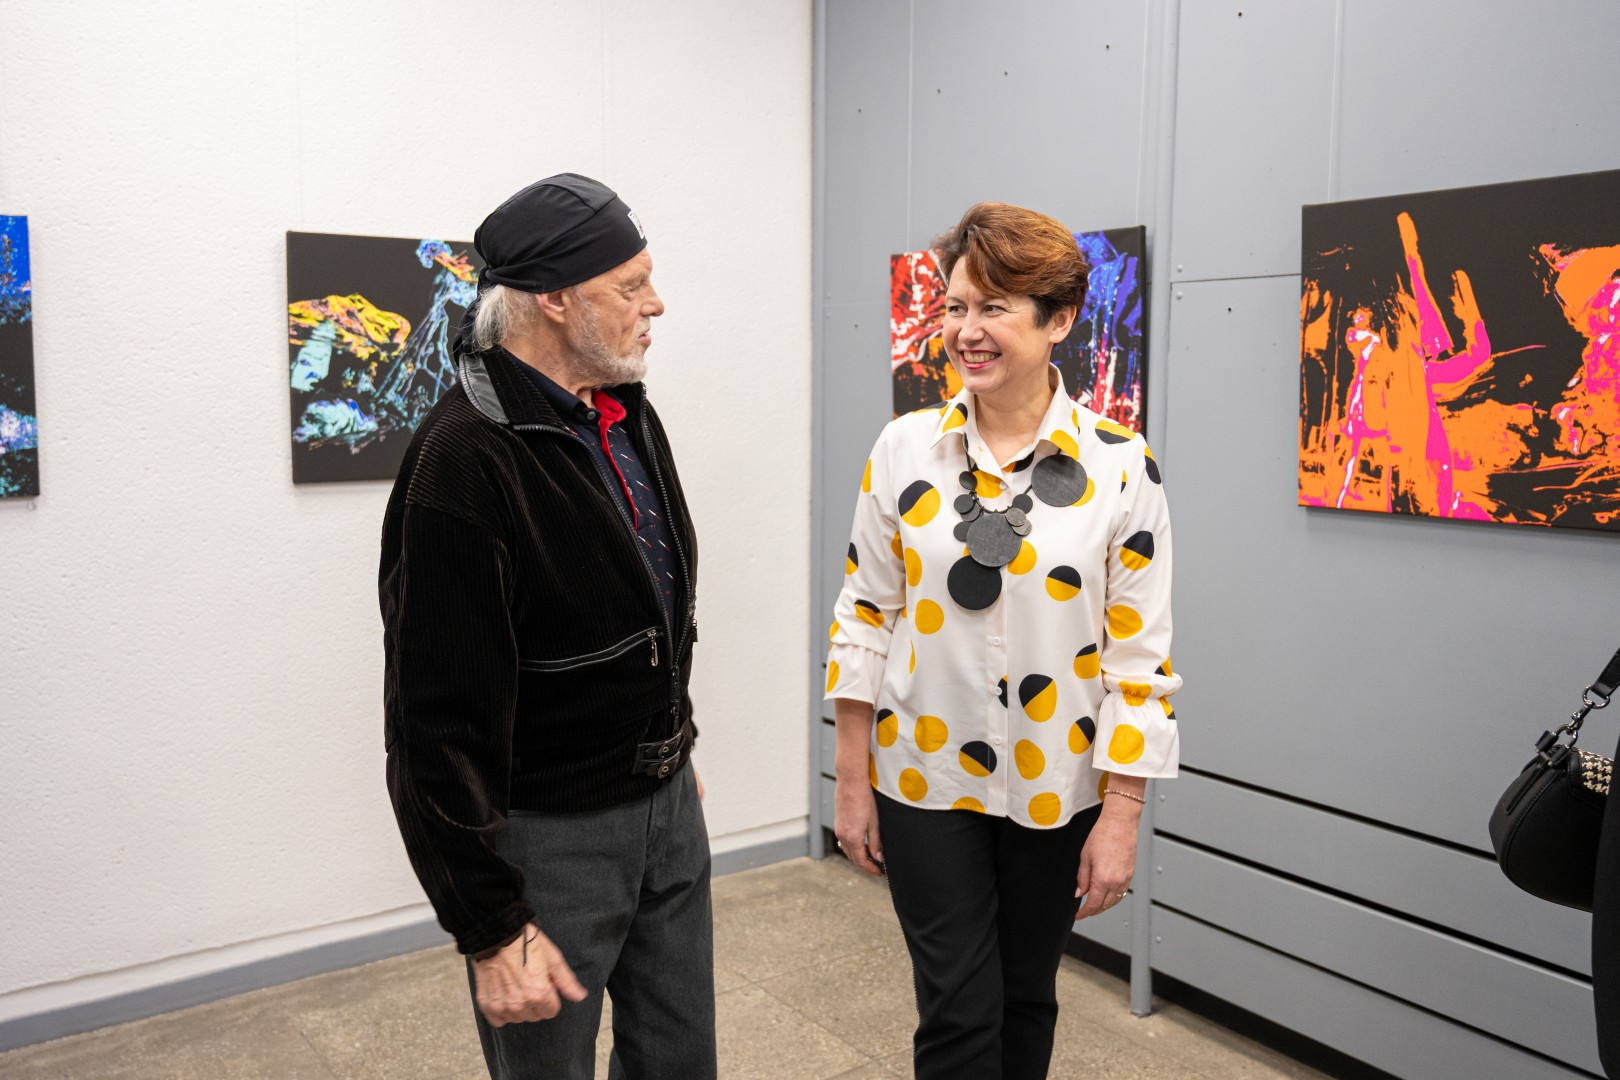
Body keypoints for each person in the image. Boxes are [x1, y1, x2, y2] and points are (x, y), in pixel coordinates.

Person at [826, 201, 1182, 1080]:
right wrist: (851, 779)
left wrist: (1123, 817)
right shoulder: (905, 448)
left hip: (1058, 784)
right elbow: (865, 613)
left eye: (993, 308)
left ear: (1059, 321)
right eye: (955, 307)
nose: (966, 331)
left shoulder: (1120, 464)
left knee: (1026, 999)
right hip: (923, 779)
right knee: (956, 1010)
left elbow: (1140, 661)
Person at [379, 173, 712, 1080]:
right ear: (555, 299)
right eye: (631, 286)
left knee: (681, 1060)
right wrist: (490, 926)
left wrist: (670, 749)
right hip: (549, 838)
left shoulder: (624, 412)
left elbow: (654, 607)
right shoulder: (461, 461)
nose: (656, 304)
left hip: (668, 806)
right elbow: (432, 722)